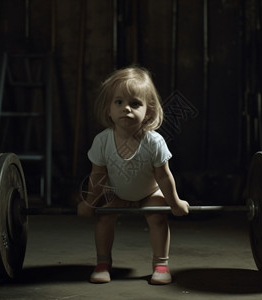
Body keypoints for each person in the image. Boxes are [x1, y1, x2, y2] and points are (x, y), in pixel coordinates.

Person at [78, 66, 190, 285]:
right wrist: (90, 203)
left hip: (149, 192)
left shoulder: (154, 142)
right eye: (118, 102)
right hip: (115, 192)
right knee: (104, 216)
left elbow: (164, 177)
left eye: (135, 103)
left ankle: (160, 264)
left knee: (158, 215)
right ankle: (102, 263)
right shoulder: (103, 141)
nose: (126, 109)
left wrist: (174, 203)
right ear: (108, 109)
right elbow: (98, 177)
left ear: (148, 111)